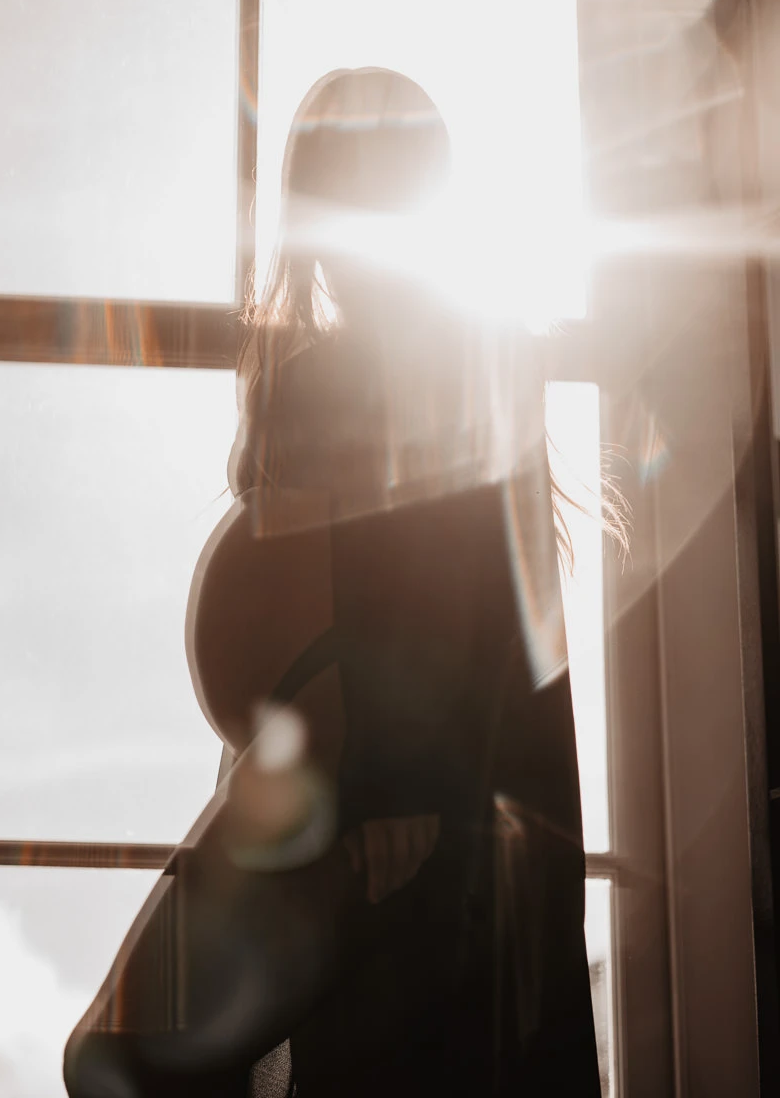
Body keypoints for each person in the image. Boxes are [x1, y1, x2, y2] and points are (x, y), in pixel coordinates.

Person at [64, 66, 602, 1098]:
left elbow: (473, 587)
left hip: (400, 803)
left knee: (123, 1060)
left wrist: (401, 778)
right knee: (137, 1059)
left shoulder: (467, 358)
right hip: (340, 782)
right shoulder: (339, 370)